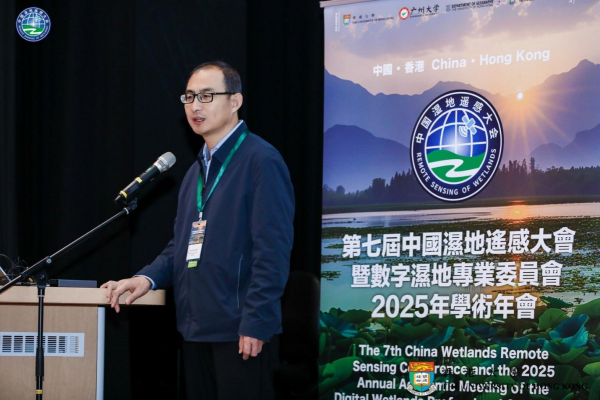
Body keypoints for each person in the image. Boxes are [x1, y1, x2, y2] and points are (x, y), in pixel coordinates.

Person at [101, 61, 295, 400]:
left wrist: (256, 321)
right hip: (196, 328)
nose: (195, 106)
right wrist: (146, 278)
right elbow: (183, 244)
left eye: (206, 96)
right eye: (189, 97)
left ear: (235, 101)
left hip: (241, 331)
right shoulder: (195, 172)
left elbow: (273, 250)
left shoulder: (261, 160)